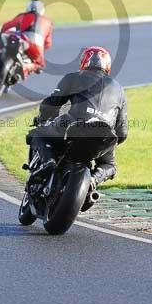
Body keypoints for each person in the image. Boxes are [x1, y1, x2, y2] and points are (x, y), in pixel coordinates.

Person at [27, 46, 128, 196]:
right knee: (109, 165)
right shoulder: (119, 89)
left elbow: (52, 104)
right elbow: (122, 132)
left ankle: (49, 162)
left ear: (84, 62)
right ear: (107, 65)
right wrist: (111, 143)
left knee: (37, 134)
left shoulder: (73, 77)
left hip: (74, 126)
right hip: (104, 134)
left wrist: (43, 120)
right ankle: (94, 179)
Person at [0, 0, 53, 75]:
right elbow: (48, 44)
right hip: (37, 47)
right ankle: (29, 67)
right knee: (40, 66)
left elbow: (6, 26)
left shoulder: (23, 16)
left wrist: (2, 32)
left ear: (28, 7)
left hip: (23, 40)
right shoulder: (48, 22)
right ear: (42, 10)